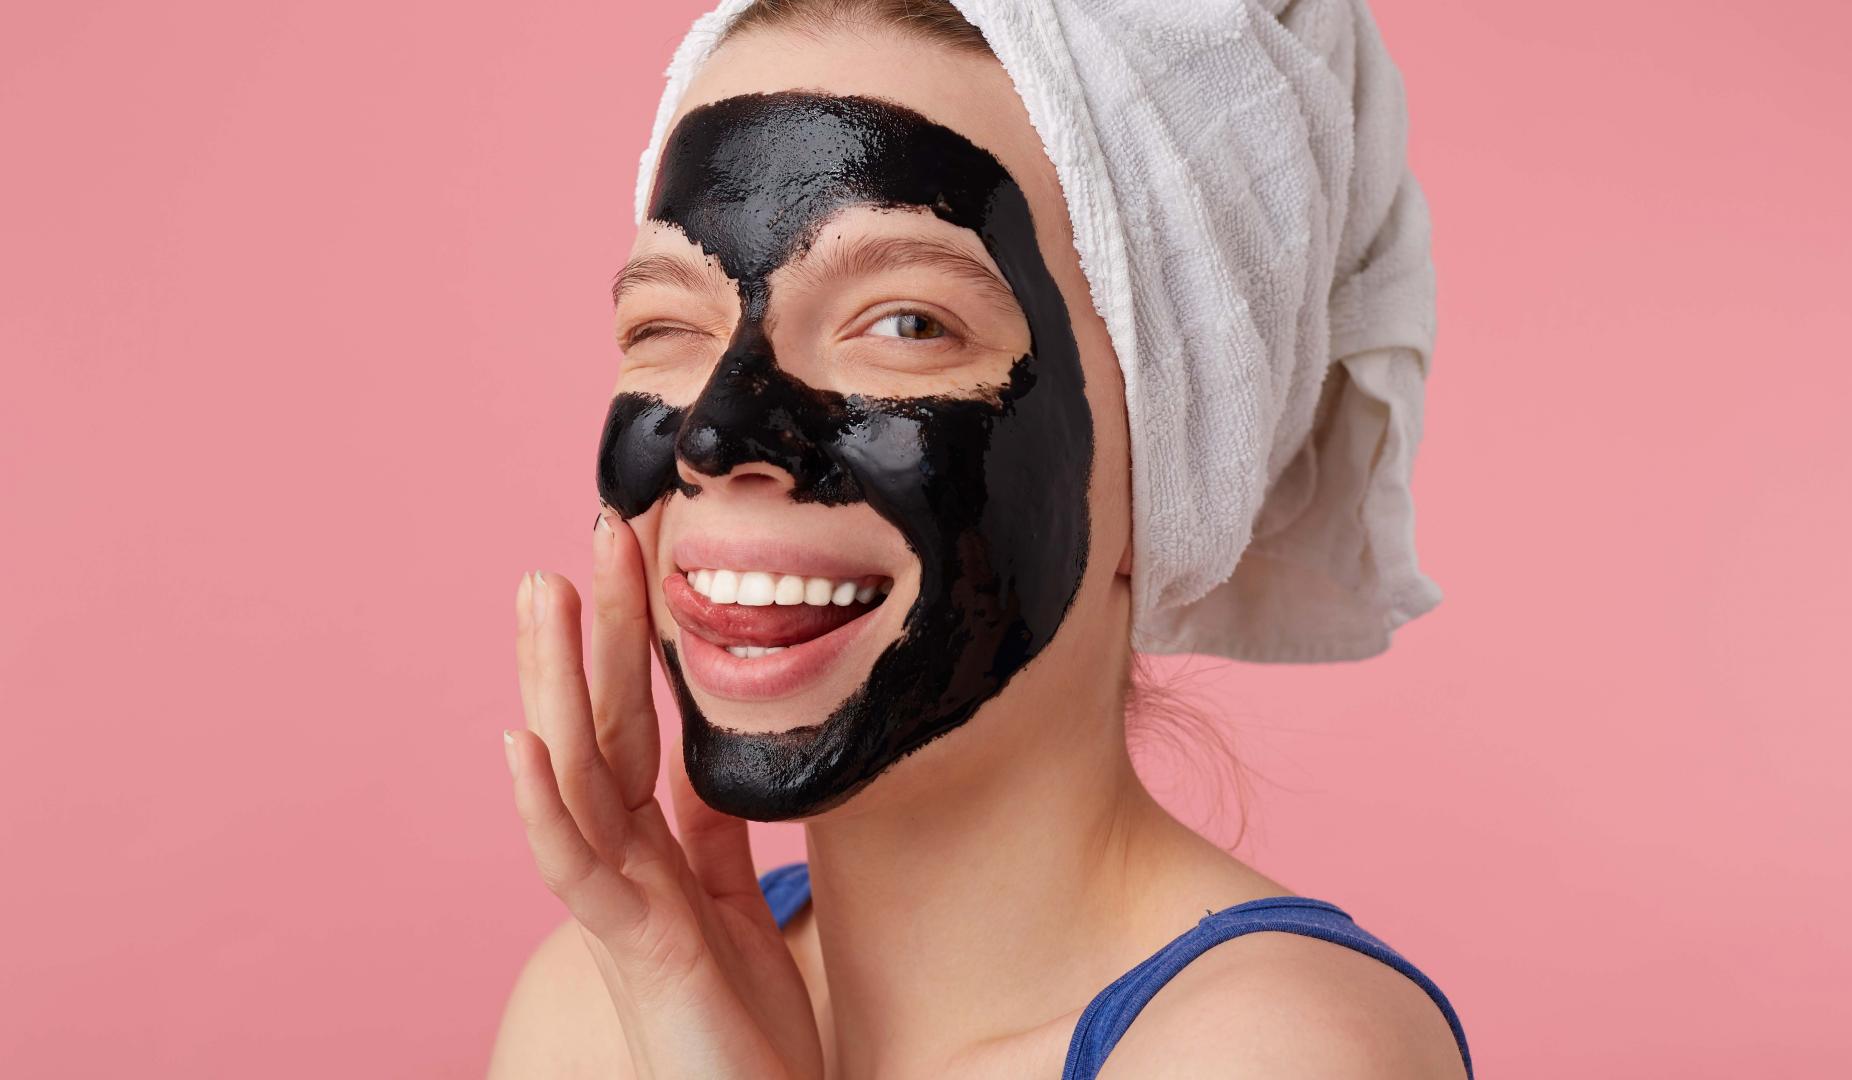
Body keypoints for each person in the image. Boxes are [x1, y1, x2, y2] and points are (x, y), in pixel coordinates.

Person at [489, 0, 1467, 1075]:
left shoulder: (1275, 1052)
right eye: (665, 324)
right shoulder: (608, 1005)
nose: (717, 437)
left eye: (909, 323)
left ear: (1174, 454)